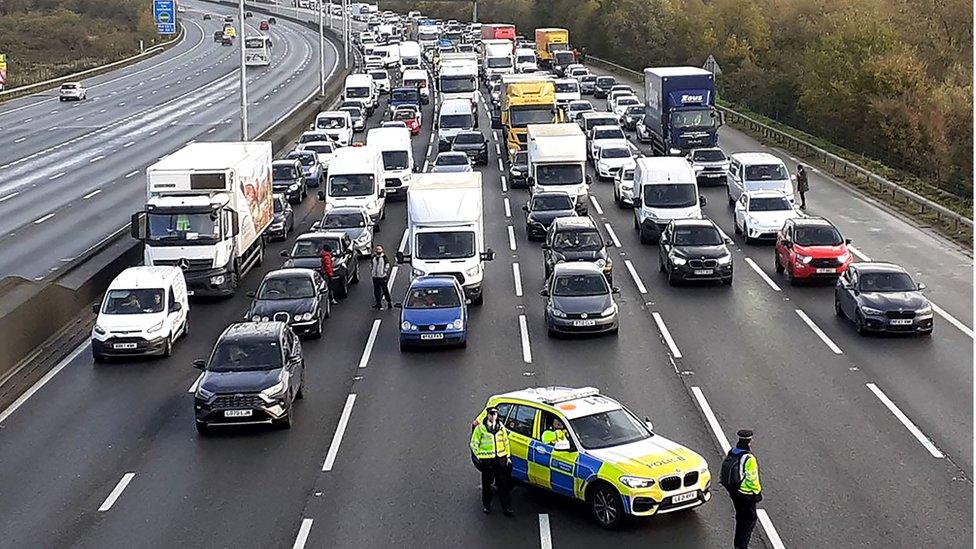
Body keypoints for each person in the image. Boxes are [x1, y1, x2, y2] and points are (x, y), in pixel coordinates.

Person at [469, 406, 514, 516]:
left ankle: (506, 507)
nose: (493, 416)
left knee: (503, 484)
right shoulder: (481, 428)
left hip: (500, 459)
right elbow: (474, 443)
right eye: (491, 414)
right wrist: (479, 456)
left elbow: (505, 442)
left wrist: (507, 456)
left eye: (495, 414)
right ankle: (487, 505)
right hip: (487, 460)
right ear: (487, 415)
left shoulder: (501, 427)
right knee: (487, 483)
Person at [724, 429, 762, 549]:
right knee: (749, 520)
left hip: (734, 492)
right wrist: (757, 493)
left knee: (740, 518)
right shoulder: (749, 458)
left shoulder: (733, 452)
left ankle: (738, 544)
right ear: (749, 441)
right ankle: (741, 546)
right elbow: (752, 479)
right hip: (746, 494)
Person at [370, 245, 393, 310]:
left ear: (382, 250)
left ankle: (389, 302)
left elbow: (387, 264)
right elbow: (371, 264)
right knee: (376, 291)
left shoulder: (384, 257)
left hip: (382, 277)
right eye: (377, 249)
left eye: (379, 249)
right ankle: (378, 304)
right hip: (375, 277)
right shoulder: (373, 257)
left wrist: (384, 271)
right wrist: (372, 271)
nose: (378, 251)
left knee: (385, 290)